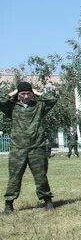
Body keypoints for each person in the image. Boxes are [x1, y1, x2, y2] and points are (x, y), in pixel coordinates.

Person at [1, 82, 58, 213]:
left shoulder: (39, 106)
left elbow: (52, 99)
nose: (25, 96)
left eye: (28, 93)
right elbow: (1, 100)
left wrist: (37, 92)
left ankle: (47, 201)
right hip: (18, 148)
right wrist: (14, 92)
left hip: (37, 147)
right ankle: (9, 204)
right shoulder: (12, 107)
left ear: (32, 94)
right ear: (18, 94)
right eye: (22, 94)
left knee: (41, 176)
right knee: (14, 177)